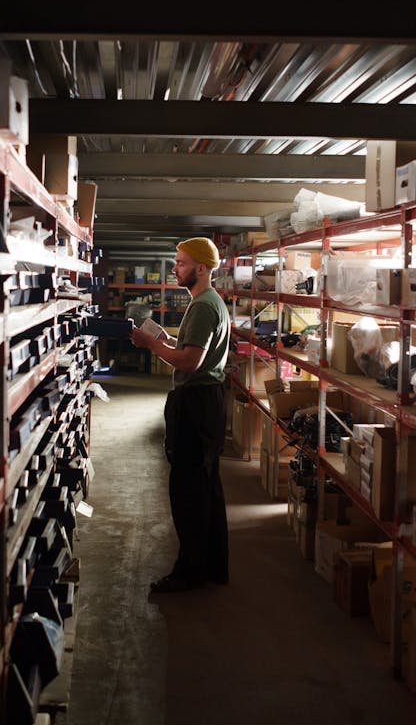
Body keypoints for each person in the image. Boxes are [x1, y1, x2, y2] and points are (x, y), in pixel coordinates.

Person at [130, 237, 230, 593]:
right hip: (205, 399)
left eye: (182, 263)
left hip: (197, 403)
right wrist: (163, 341)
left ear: (201, 268)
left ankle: (190, 572)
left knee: (188, 489)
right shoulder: (203, 303)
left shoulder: (204, 306)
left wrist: (151, 344)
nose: (175, 268)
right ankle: (212, 567)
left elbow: (190, 361)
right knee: (205, 487)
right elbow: (187, 350)